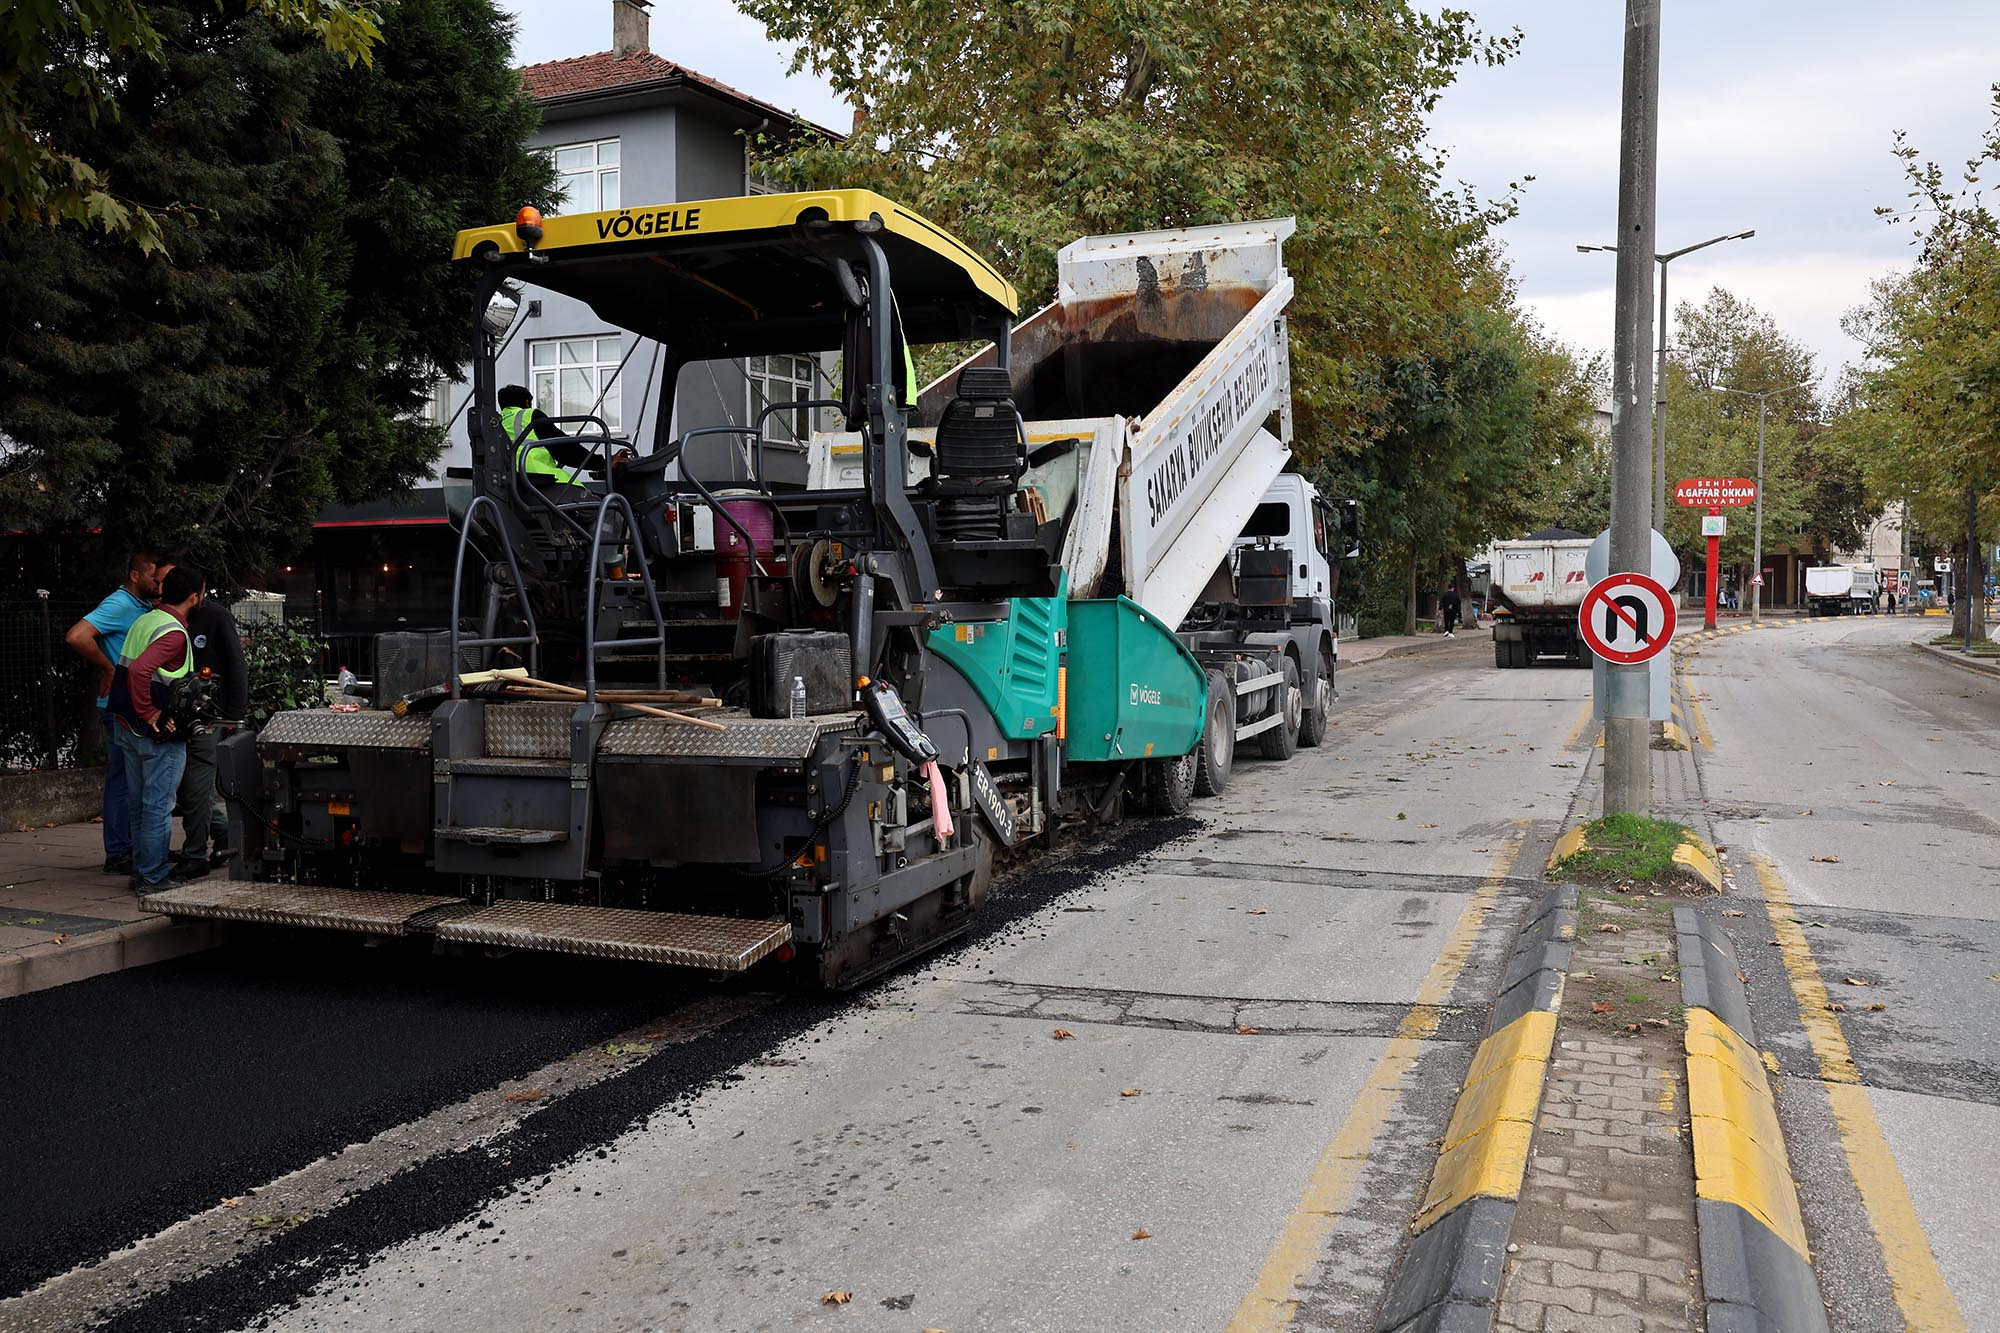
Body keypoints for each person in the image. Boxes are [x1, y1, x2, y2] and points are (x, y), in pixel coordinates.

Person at [106, 565, 204, 891]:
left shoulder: (145, 620)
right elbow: (139, 672)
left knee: (139, 805)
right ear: (195, 596)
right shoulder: (173, 633)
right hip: (157, 734)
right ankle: (153, 877)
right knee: (158, 808)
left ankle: (140, 870)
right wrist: (151, 714)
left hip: (127, 727)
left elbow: (131, 669)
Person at [64, 551, 162, 874]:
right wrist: (108, 668)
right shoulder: (119, 604)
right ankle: (119, 852)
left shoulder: (141, 606)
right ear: (135, 576)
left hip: (130, 704)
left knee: (132, 777)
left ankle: (132, 849)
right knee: (123, 778)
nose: (158, 584)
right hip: (118, 707)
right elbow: (77, 635)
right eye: (153, 578)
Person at [174, 579, 247, 873]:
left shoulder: (215, 616)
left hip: (209, 715)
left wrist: (234, 715)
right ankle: (224, 831)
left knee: (196, 784)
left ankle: (195, 854)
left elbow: (236, 665)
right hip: (178, 715)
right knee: (187, 788)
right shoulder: (167, 618)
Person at [497, 385, 618, 489]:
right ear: (526, 402)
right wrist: (604, 462)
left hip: (512, 484)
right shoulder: (529, 415)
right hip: (541, 480)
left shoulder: (496, 423)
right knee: (603, 509)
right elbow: (565, 450)